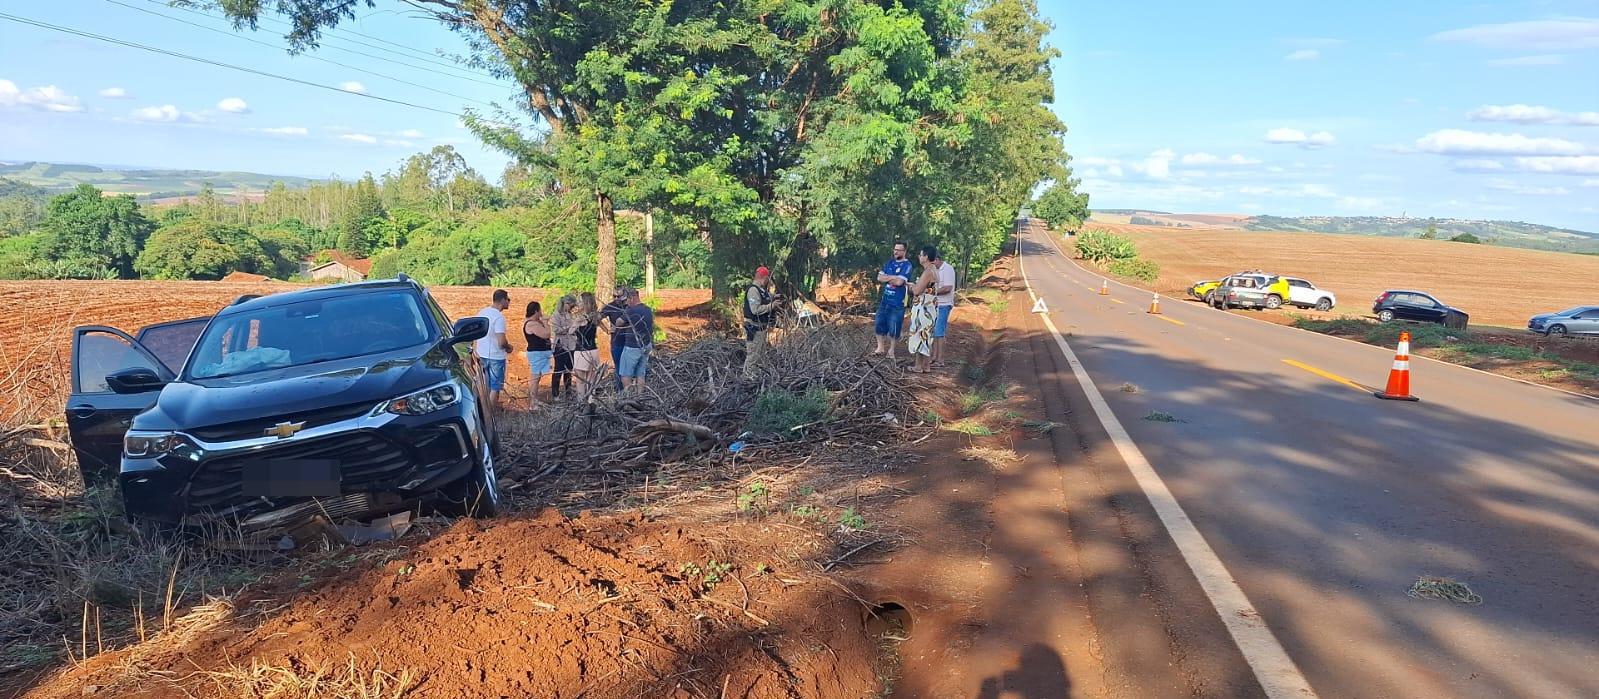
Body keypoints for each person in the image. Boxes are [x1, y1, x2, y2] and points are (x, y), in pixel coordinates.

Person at [473, 289, 512, 412]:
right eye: (508, 299)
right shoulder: (499, 318)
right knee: (495, 387)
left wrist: (475, 350)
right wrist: (509, 347)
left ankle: (484, 411)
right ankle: (490, 414)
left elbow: (475, 334)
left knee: (485, 385)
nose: (509, 302)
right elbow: (501, 342)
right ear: (502, 300)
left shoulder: (482, 312)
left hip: (481, 354)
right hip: (496, 356)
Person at [872, 241, 913, 358]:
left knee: (894, 326)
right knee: (879, 322)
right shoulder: (889, 263)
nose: (896, 252)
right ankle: (880, 348)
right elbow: (879, 277)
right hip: (885, 299)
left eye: (899, 250)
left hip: (898, 301)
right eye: (895, 249)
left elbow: (900, 282)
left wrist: (888, 278)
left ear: (904, 251)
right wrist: (894, 277)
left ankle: (891, 350)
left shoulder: (907, 265)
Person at [742, 266, 781, 379]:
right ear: (764, 278)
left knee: (760, 356)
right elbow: (755, 310)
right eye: (767, 279)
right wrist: (771, 306)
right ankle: (747, 379)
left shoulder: (761, 290)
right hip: (754, 330)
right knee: (753, 356)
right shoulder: (753, 290)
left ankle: (756, 378)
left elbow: (765, 296)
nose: (768, 281)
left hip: (761, 330)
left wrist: (774, 297)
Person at [617, 288, 654, 392]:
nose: (627, 303)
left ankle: (628, 396)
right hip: (646, 345)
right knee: (640, 373)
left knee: (625, 374)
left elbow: (618, 322)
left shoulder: (631, 310)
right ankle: (640, 396)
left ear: (632, 298)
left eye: (627, 300)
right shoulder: (648, 309)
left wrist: (625, 313)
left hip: (632, 347)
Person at [600, 287, 631, 391]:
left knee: (631, 367)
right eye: (614, 296)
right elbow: (597, 318)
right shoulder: (610, 306)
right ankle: (620, 390)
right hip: (617, 342)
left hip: (631, 342)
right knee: (618, 367)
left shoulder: (630, 306)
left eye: (619, 296)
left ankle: (631, 390)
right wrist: (606, 330)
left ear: (625, 296)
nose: (616, 298)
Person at [521, 301, 551, 409]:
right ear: (536, 311)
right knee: (535, 377)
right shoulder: (531, 324)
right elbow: (546, 334)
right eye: (540, 310)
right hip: (537, 353)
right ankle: (533, 403)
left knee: (537, 377)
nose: (541, 313)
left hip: (540, 353)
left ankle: (534, 400)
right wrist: (546, 323)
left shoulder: (535, 322)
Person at [572, 292, 602, 397]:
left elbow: (570, 332)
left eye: (580, 301)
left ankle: (581, 400)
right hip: (593, 350)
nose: (578, 303)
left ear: (584, 303)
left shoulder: (580, 318)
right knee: (591, 378)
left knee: (580, 380)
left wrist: (574, 323)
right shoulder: (595, 317)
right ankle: (591, 399)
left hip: (581, 351)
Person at [550, 294, 578, 400]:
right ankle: (555, 394)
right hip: (560, 345)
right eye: (570, 305)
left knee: (568, 370)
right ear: (565, 303)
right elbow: (556, 330)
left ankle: (568, 393)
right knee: (558, 370)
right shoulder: (556, 315)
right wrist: (570, 327)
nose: (571, 308)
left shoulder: (572, 315)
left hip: (571, 345)